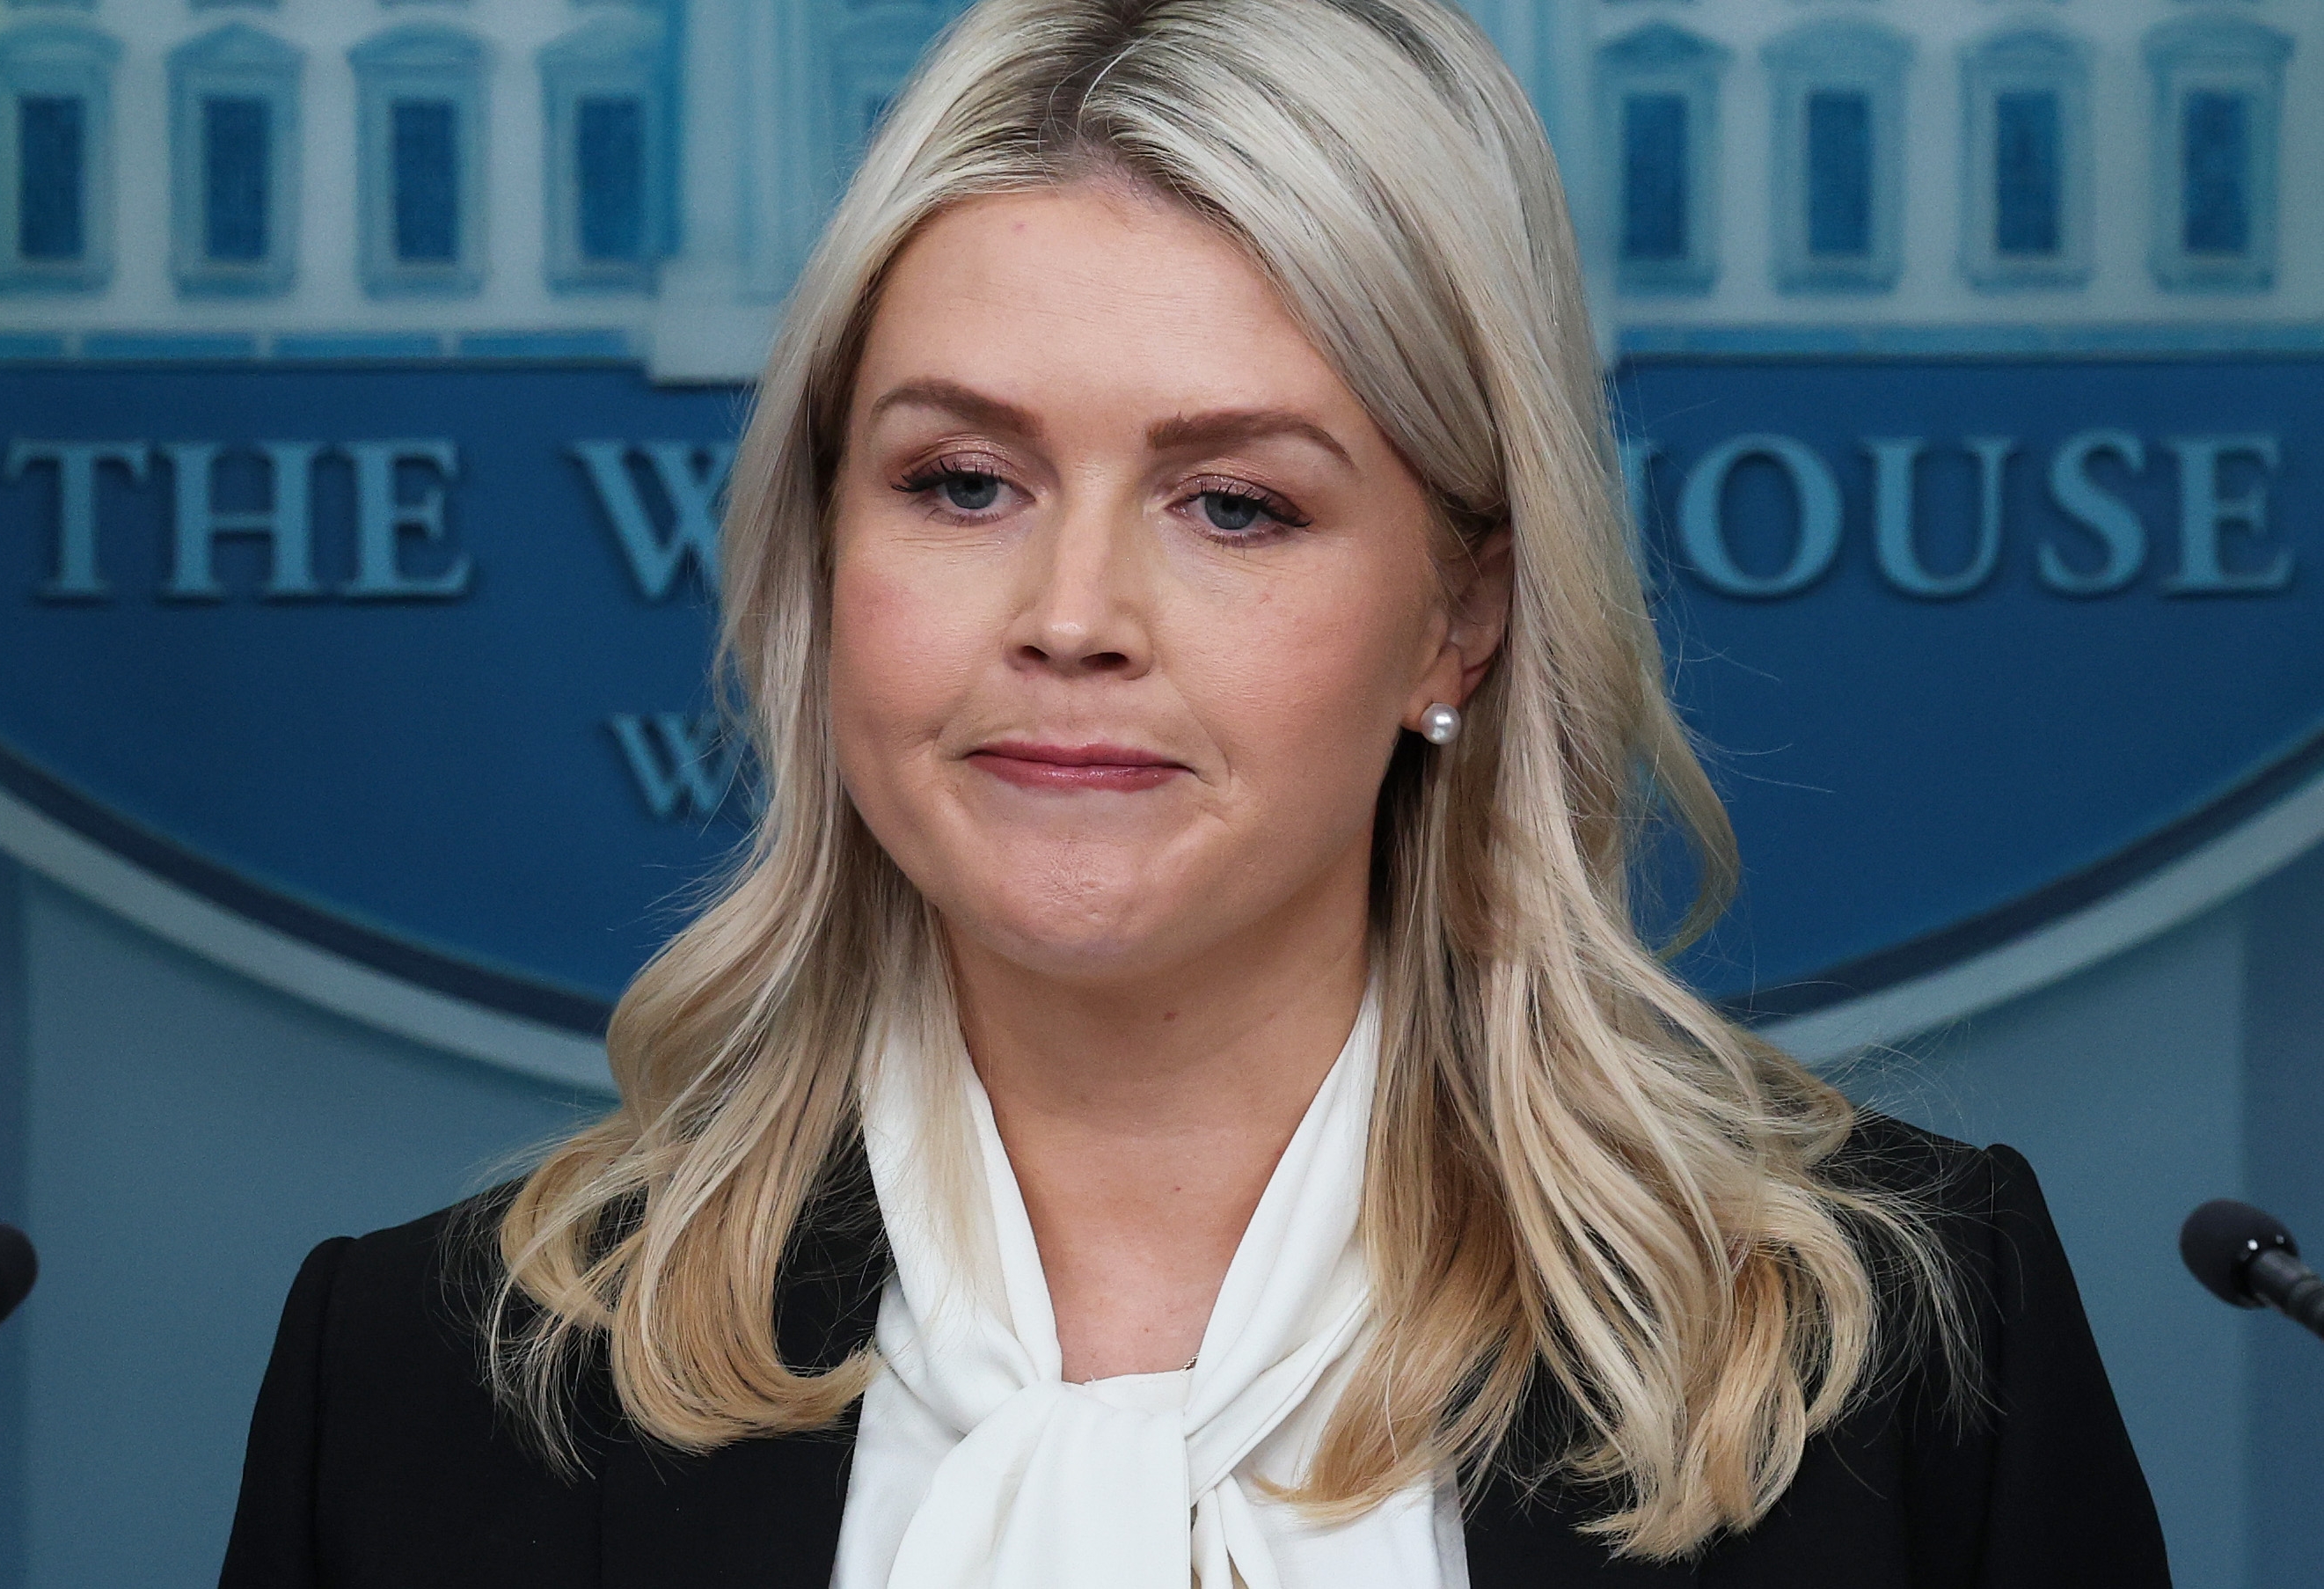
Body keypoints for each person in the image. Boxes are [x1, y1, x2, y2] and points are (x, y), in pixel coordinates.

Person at [219, 1, 2170, 1584]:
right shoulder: (420, 1390)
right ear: (822, 566)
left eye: (1233, 503)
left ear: (1456, 617)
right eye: (959, 484)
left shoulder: (1895, 1355)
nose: (1071, 617)